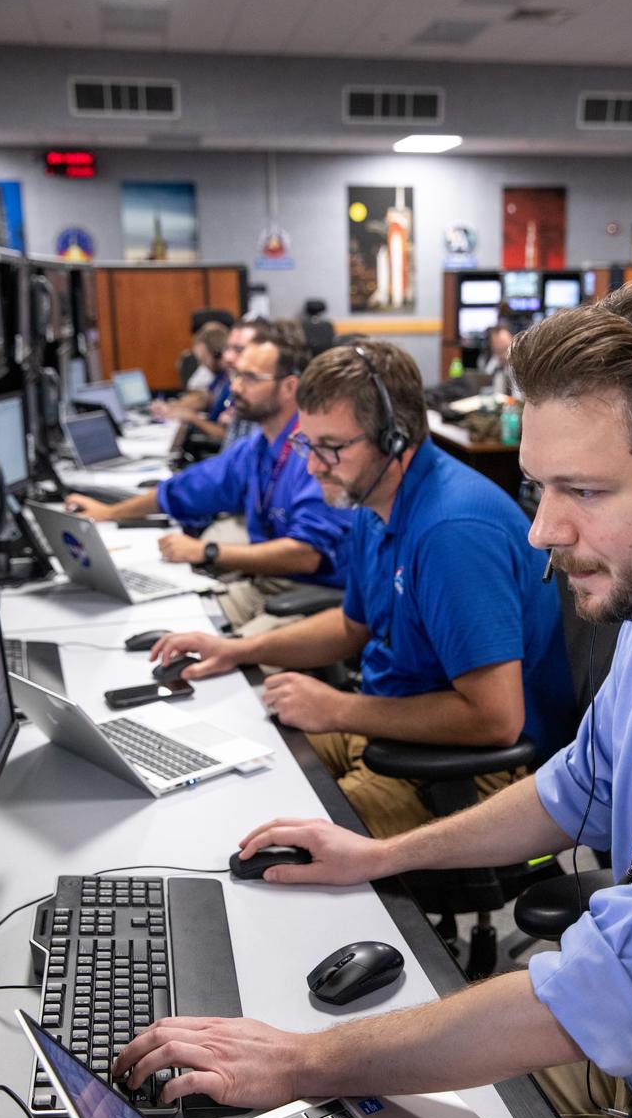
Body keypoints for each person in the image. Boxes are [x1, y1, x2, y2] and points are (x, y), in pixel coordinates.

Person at [116, 279, 632, 1118]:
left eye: (581, 492)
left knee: (326, 1086)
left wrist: (301, 1061)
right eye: (540, 488)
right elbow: (569, 790)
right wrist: (373, 855)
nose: (540, 532)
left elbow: (590, 993)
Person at [150, 340, 574, 837]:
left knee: (266, 841)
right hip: (387, 727)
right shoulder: (374, 501)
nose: (311, 467)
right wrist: (238, 649)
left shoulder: (451, 532)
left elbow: (496, 720)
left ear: (395, 440)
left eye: (330, 448)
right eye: (307, 445)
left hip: (476, 771)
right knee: (223, 775)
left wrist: (337, 708)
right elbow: (352, 626)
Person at [66, 329, 354, 628]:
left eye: (251, 378)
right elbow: (185, 489)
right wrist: (109, 513)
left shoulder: (314, 452)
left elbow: (307, 555)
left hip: (312, 594)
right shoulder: (258, 446)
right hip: (266, 583)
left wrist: (208, 552)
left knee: (217, 660)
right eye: (236, 376)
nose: (236, 388)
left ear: (289, 387)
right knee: (174, 627)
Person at [153, 321, 231, 445]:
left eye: (203, 359)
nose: (203, 365)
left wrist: (192, 418)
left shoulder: (231, 382)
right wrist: (171, 408)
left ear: (213, 354)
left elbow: (226, 435)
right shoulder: (219, 379)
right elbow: (203, 398)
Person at [478, 323, 515, 395]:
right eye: (496, 344)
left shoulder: (520, 364)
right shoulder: (487, 360)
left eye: (505, 347)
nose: (499, 346)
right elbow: (484, 380)